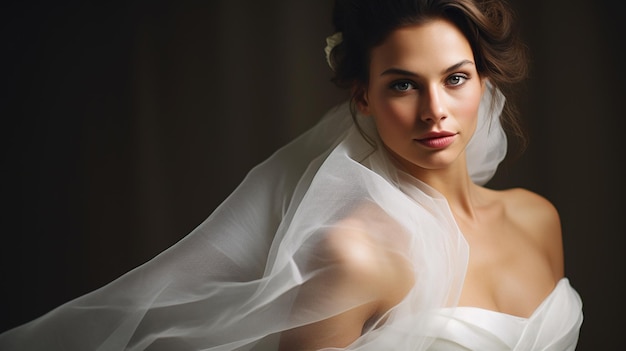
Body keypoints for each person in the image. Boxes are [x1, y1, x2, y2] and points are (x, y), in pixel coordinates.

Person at [0, 0, 583, 350]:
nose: (434, 110)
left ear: (484, 82)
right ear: (362, 97)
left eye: (455, 78)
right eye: (402, 84)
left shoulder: (538, 218)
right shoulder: (354, 254)